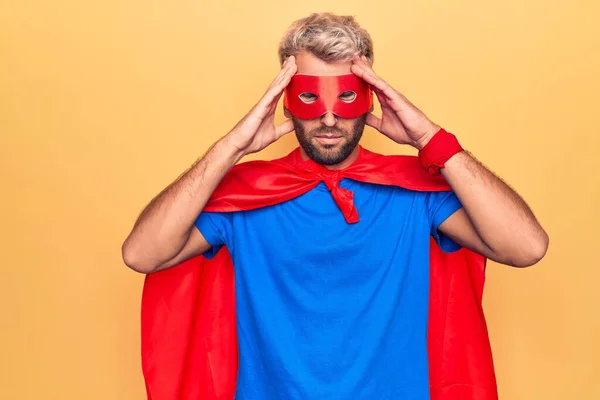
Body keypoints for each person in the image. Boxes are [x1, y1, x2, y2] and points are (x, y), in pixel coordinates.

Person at [122, 12, 549, 400]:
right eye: (310, 96)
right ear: (285, 98)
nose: (329, 119)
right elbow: (142, 254)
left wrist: (430, 139)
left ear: (371, 93)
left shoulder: (417, 192)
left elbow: (526, 247)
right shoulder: (247, 192)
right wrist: (232, 147)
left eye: (347, 97)